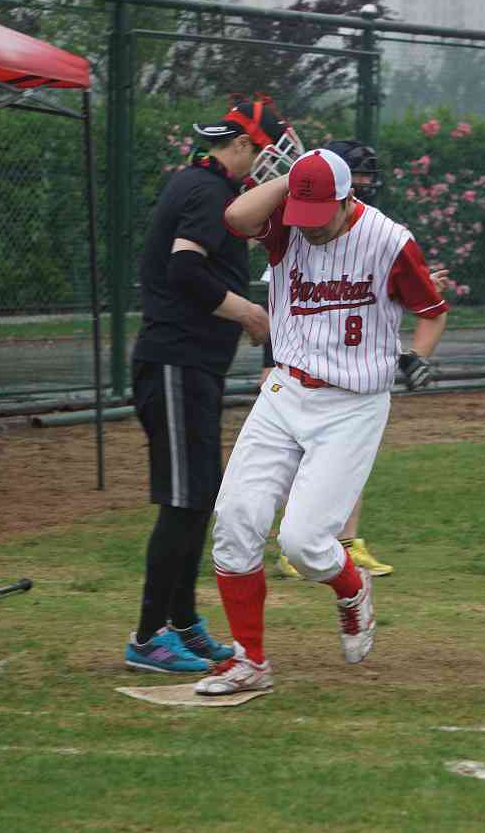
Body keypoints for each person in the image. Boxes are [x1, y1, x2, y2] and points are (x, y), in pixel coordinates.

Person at [196, 148, 449, 695]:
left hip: (352, 404)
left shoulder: (388, 239)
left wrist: (418, 356)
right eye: (300, 212)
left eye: (319, 214)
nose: (307, 227)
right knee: (235, 521)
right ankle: (250, 661)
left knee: (305, 543)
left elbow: (431, 311)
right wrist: (295, 180)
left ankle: (351, 590)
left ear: (347, 198)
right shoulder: (288, 225)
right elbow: (236, 217)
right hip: (284, 391)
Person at [123, 98, 303, 674]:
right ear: (243, 146)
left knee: (199, 498)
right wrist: (248, 313)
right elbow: (184, 268)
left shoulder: (206, 186)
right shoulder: (208, 191)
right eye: (269, 153)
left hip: (190, 366)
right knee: (184, 502)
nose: (274, 167)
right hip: (174, 363)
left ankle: (181, 623)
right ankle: (148, 638)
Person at [265, 140, 447, 580]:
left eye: (368, 174)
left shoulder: (382, 235)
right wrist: (270, 363)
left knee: (345, 465)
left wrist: (416, 354)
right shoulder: (297, 231)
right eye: (357, 173)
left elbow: (423, 307)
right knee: (296, 464)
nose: (365, 181)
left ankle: (343, 542)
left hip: (352, 379)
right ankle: (297, 545)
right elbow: (284, 298)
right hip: (293, 367)